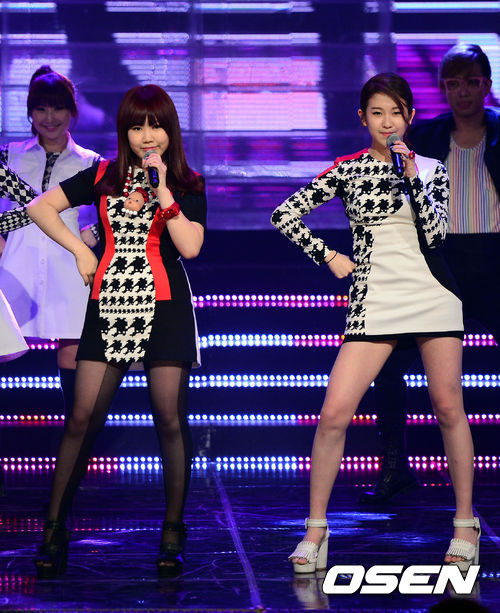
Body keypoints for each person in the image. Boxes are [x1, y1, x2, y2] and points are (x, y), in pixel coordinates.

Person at [271, 72, 480, 573]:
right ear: (362, 118)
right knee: (334, 413)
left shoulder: (429, 168)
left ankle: (464, 523)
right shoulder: (347, 169)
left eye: (396, 113)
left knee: (448, 405)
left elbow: (436, 233)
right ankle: (316, 529)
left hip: (432, 293)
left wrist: (411, 175)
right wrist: (329, 256)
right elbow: (285, 214)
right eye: (377, 113)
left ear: (410, 117)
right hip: (374, 298)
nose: (388, 123)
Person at [26, 84, 206, 578]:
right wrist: (80, 251)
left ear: (170, 130)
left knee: (169, 420)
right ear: (124, 130)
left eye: (156, 125)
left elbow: (190, 248)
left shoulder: (187, 182)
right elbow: (40, 208)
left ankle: (173, 530)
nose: (147, 135)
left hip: (165, 306)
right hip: (110, 305)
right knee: (81, 418)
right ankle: (54, 529)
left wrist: (163, 190)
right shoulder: (103, 175)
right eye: (136, 126)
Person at [359, 44, 500, 505]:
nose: (463, 92)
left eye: (472, 82)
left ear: (487, 85)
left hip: (494, 262)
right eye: (453, 83)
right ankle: (394, 468)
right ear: (443, 89)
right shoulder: (427, 137)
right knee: (389, 364)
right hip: (438, 261)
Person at [0, 65, 100, 418]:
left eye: (58, 107)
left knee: (73, 367)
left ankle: (74, 440)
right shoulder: (9, 155)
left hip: (69, 270)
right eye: (41, 108)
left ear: (72, 111)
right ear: (30, 112)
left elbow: (115, 214)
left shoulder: (91, 162)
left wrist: (89, 238)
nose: (49, 117)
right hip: (15, 268)